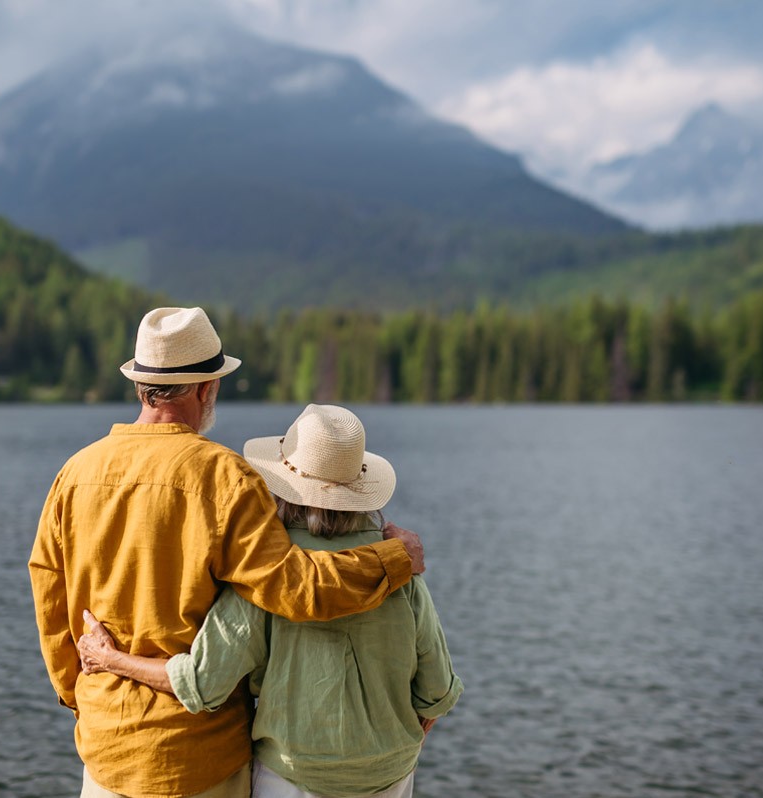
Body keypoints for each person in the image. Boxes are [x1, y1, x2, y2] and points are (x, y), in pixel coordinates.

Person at [29, 308, 425, 798]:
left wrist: (83, 697)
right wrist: (392, 559)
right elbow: (296, 588)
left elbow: (50, 597)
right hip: (200, 757)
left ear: (141, 385)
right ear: (205, 388)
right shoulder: (225, 477)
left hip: (105, 750)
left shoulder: (75, 473)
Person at [78, 404, 462, 798]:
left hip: (295, 778)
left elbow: (202, 684)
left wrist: (112, 660)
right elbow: (436, 692)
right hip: (391, 776)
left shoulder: (269, 573)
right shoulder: (399, 570)